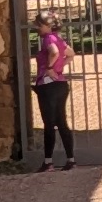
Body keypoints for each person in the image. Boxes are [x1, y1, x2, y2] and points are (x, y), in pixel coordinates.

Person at [28, 17, 76, 167]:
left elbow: (54, 52)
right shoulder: (59, 38)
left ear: (48, 26)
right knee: (61, 122)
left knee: (49, 124)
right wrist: (59, 68)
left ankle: (48, 162)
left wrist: (49, 68)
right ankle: (71, 160)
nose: (37, 28)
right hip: (61, 84)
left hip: (48, 86)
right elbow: (71, 54)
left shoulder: (48, 38)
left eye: (39, 25)